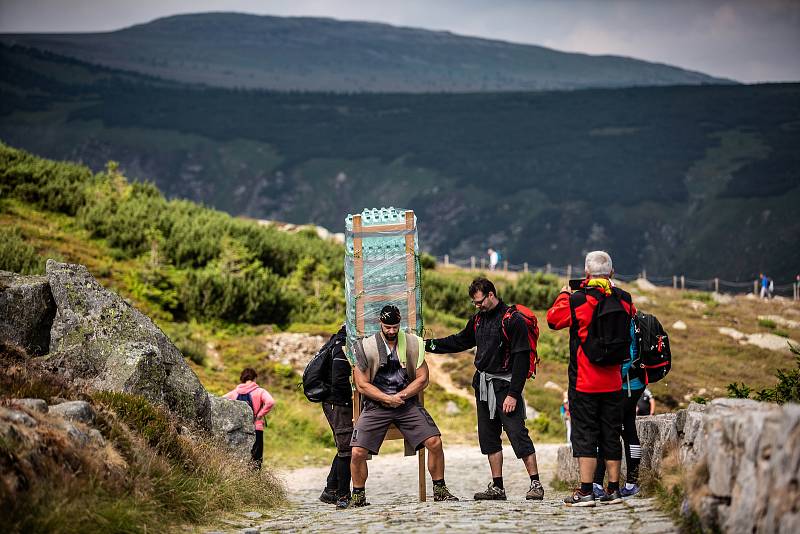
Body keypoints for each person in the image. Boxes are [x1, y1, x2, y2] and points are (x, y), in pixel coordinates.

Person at [425, 277, 545, 501]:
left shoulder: (513, 320)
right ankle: (498, 486)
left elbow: (521, 359)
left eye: (479, 301)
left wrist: (513, 394)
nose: (477, 306)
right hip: (483, 385)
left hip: (506, 386)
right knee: (489, 437)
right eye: (474, 303)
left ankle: (535, 483)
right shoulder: (478, 320)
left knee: (518, 433)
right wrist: (428, 345)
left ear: (491, 294)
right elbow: (460, 341)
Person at [546, 250, 635, 507]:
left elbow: (553, 319)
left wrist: (565, 294)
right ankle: (614, 490)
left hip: (585, 381)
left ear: (586, 274)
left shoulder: (579, 300)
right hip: (614, 381)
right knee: (611, 433)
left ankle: (586, 492)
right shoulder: (625, 299)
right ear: (612, 274)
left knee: (585, 434)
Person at [348, 305, 459, 507]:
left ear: (400, 324)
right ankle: (358, 496)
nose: (391, 331)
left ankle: (440, 489)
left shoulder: (412, 344)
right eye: (387, 327)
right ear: (380, 324)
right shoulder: (366, 346)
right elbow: (361, 384)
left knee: (435, 442)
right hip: (376, 405)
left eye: (395, 327)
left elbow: (423, 378)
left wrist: (402, 395)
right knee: (357, 452)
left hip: (406, 404)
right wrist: (386, 398)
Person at [593, 321, 646, 499]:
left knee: (606, 432)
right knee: (629, 430)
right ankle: (631, 483)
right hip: (635, 383)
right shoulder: (631, 317)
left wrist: (612, 379)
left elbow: (629, 355)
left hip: (624, 385)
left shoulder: (623, 319)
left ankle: (598, 484)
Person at [317, 325, 354, 508]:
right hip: (338, 403)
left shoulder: (337, 342)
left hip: (335, 402)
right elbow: (340, 381)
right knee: (346, 449)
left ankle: (330, 490)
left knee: (344, 446)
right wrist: (356, 396)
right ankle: (342, 494)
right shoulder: (342, 347)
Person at [224, 368, 275, 470]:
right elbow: (270, 402)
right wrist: (260, 415)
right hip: (256, 428)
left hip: (240, 430)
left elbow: (220, 400)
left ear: (242, 379)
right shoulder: (260, 391)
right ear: (255, 378)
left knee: (241, 457)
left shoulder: (234, 393)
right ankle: (255, 481)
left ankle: (243, 481)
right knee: (256, 458)